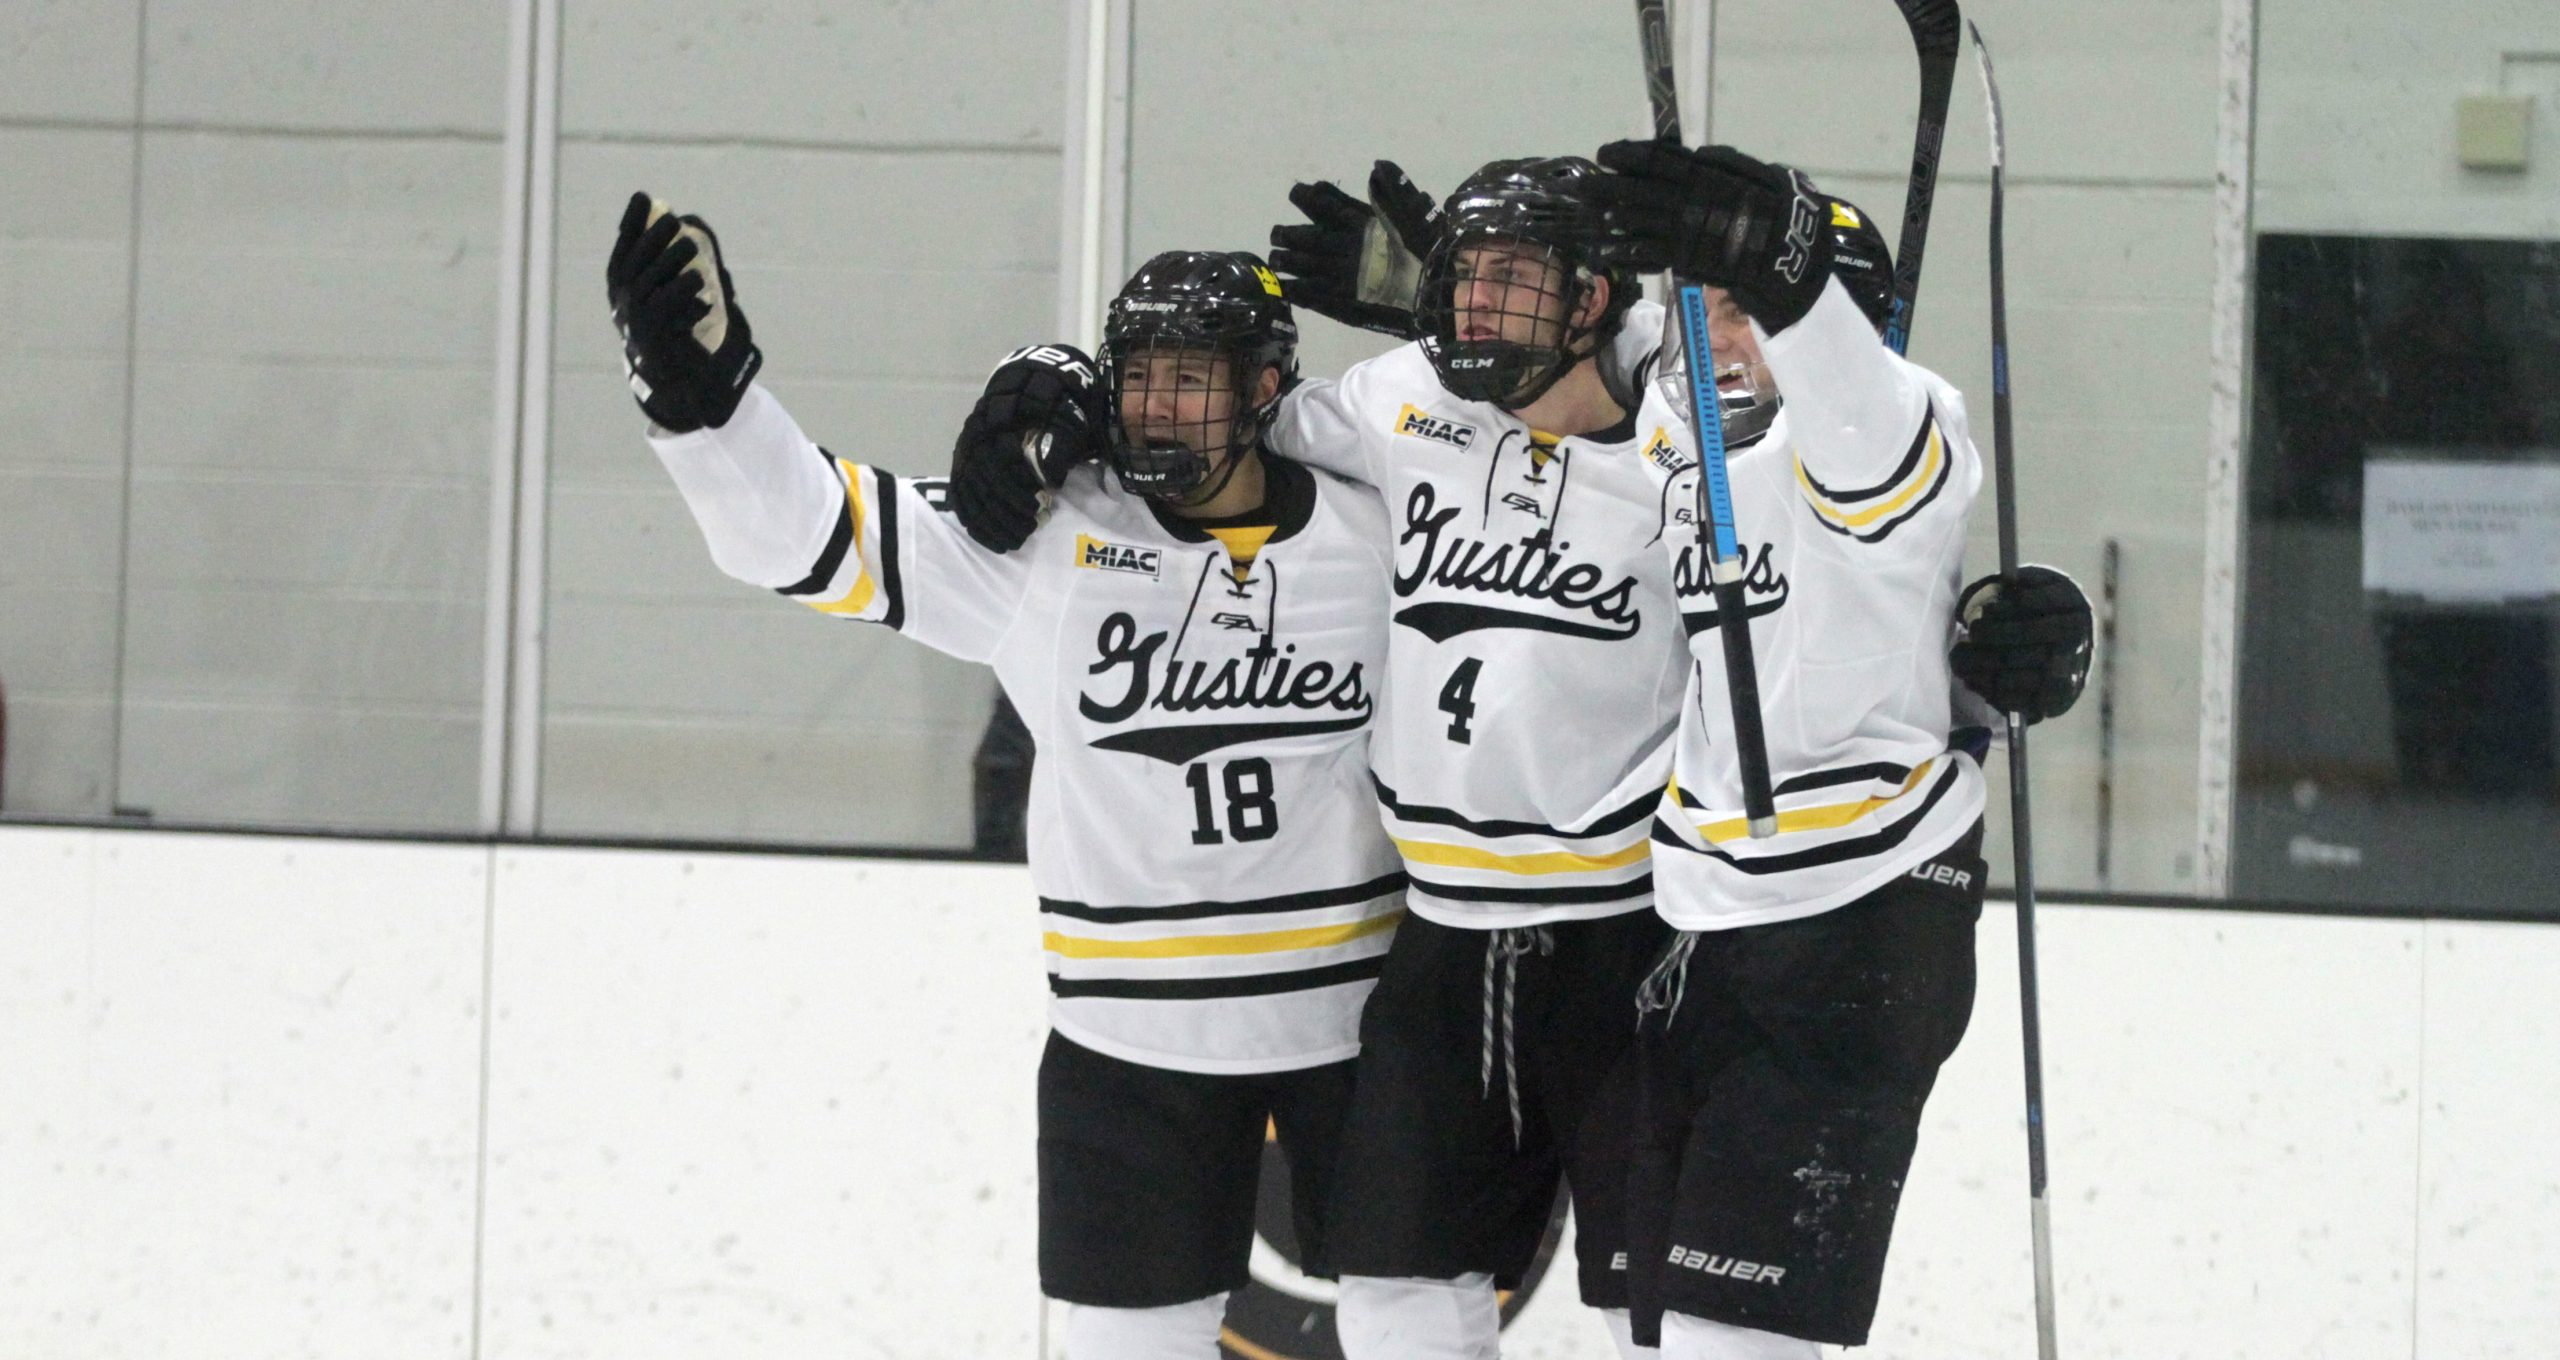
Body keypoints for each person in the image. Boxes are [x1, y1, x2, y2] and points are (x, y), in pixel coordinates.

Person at [606, 197, 1405, 1360]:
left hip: (1355, 1026)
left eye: (1194, 377)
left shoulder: (1379, 535)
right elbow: (802, 536)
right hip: (1129, 1040)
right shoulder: (1052, 542)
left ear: (1268, 390)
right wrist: (701, 403)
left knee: (1418, 1319)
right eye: (1138, 376)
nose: (1157, 407)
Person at [1587, 138, 2049, 1358]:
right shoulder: (1687, 431)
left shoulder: (1885, 427)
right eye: (1708, 310)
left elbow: (1859, 409)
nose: (1722, 337)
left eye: (1751, 309)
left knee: (1732, 1341)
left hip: (1857, 922)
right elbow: (1623, 367)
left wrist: (1791, 288)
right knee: (1663, 1334)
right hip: (1706, 925)